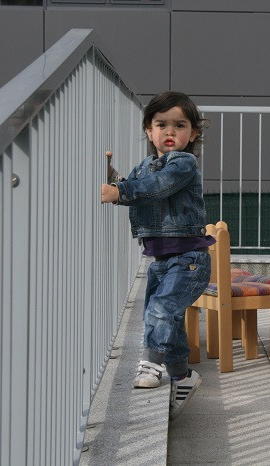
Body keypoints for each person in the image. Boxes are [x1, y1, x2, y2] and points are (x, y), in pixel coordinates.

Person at [101, 91, 213, 420]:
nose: (170, 132)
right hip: (163, 261)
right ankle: (182, 375)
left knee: (161, 310)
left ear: (193, 133)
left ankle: (151, 364)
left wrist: (119, 192)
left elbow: (157, 187)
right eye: (161, 125)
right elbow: (135, 185)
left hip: (188, 260)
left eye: (179, 125)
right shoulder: (144, 167)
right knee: (167, 318)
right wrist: (112, 178)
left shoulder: (183, 163)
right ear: (149, 131)